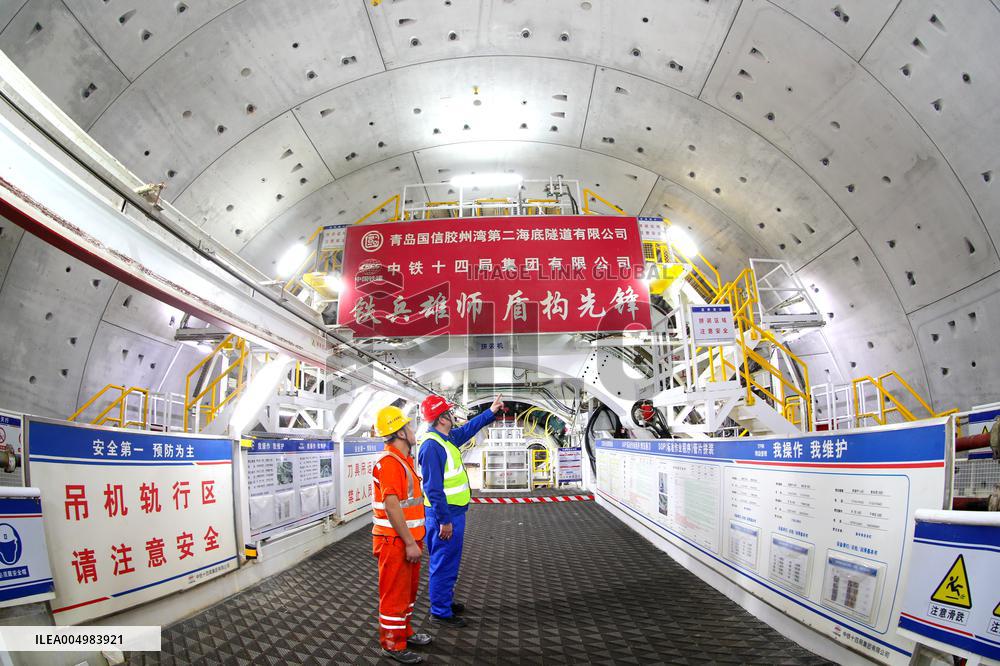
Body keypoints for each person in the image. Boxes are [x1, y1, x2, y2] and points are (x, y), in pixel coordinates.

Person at [418, 393, 504, 627]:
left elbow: (468, 430)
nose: (453, 415)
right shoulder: (432, 446)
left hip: (453, 513)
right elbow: (433, 489)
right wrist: (444, 521)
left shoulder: (445, 439)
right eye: (448, 412)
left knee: (450, 561)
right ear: (441, 419)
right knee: (443, 563)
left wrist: (490, 412)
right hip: (444, 516)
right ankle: (440, 612)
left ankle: (445, 601)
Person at [372, 405, 433, 664]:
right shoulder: (390, 463)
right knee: (394, 595)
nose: (413, 430)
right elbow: (392, 506)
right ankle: (392, 644)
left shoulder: (403, 461)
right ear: (399, 433)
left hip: (408, 539)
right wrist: (409, 543)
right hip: (395, 542)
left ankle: (404, 632)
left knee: (407, 594)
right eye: (409, 426)